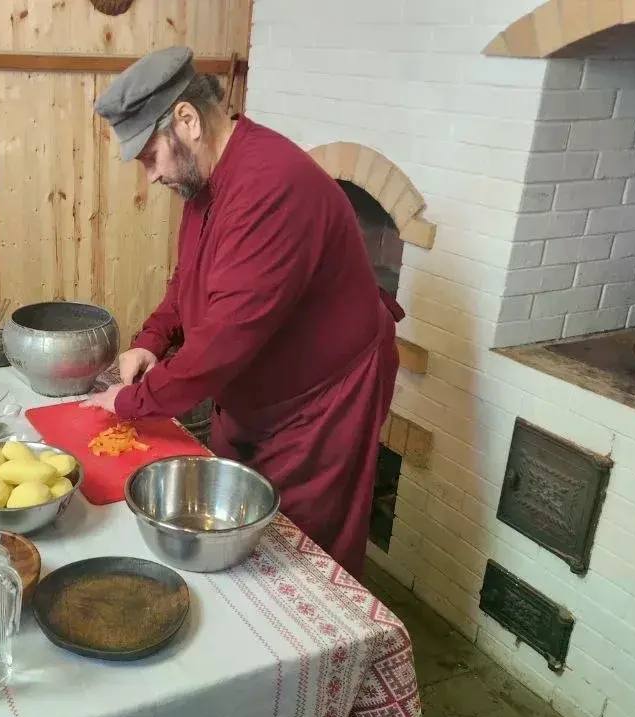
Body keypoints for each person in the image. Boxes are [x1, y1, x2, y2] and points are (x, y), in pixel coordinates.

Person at [82, 46, 404, 578]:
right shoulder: (205, 178)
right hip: (261, 385)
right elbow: (190, 279)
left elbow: (221, 345)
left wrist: (130, 401)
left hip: (326, 395)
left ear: (187, 121)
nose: (151, 176)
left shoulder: (270, 186)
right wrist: (151, 341)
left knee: (303, 544)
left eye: (149, 157)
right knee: (239, 523)